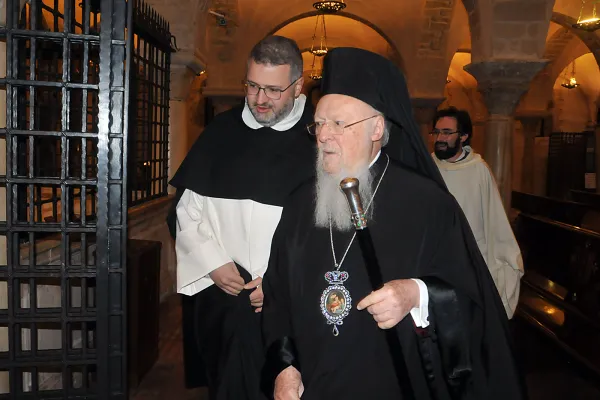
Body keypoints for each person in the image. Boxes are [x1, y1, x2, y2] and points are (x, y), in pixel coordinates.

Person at [260, 47, 527, 400]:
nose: (323, 136)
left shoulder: (428, 204)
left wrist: (415, 294)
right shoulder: (298, 204)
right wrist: (284, 368)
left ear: (377, 128)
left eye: (339, 124)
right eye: (320, 123)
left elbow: (473, 302)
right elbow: (277, 295)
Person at [167, 35, 315, 400]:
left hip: (293, 302)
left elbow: (331, 228)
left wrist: (280, 281)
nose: (260, 99)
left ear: (298, 86)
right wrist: (212, 262)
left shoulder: (321, 135)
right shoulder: (221, 131)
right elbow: (187, 209)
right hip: (226, 299)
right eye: (252, 86)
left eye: (273, 89)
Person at [431, 107, 524, 319]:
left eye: (446, 132)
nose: (439, 138)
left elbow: (494, 220)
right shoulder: (428, 168)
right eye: (436, 132)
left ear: (463, 136)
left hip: (470, 264)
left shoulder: (479, 170)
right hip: (435, 264)